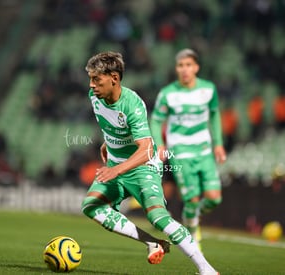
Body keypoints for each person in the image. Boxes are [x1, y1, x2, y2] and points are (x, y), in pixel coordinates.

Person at [81, 51, 219, 275]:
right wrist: (108, 144)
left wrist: (116, 169)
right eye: (90, 79)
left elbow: (145, 149)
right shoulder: (94, 96)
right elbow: (112, 124)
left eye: (97, 79)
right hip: (116, 164)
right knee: (91, 207)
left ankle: (207, 270)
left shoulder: (133, 104)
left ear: (114, 78)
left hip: (141, 167)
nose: (91, 85)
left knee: (157, 217)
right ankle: (153, 243)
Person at [150, 48, 227, 251]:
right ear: (176, 68)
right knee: (191, 199)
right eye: (181, 65)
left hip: (204, 151)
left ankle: (192, 216)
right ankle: (193, 236)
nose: (184, 70)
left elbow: (215, 116)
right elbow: (156, 121)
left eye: (188, 65)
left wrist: (218, 143)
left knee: (214, 198)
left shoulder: (208, 89)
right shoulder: (168, 94)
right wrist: (160, 144)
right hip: (180, 152)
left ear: (196, 67)